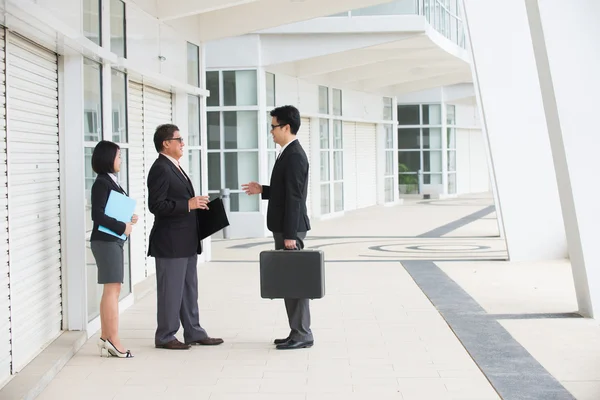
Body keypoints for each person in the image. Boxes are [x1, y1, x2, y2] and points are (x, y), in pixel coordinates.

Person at [242, 105, 313, 350]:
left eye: (273, 126)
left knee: (295, 281)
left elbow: (295, 197)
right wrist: (263, 190)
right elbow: (285, 192)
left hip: (289, 230)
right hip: (285, 227)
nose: (271, 132)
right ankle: (297, 331)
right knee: (289, 281)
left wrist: (291, 236)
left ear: (286, 127)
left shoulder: (294, 155)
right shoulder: (287, 152)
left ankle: (302, 333)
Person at [147, 124, 223, 350]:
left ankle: (193, 331)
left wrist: (196, 205)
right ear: (165, 143)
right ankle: (165, 336)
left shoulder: (175, 167)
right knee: (171, 291)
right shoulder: (160, 168)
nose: (183, 143)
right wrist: (187, 204)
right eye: (179, 139)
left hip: (186, 241)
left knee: (189, 289)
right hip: (170, 243)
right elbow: (156, 205)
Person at [90, 140, 137, 358]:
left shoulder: (111, 181)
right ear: (108, 158)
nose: (120, 160)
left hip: (114, 240)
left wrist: (129, 218)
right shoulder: (101, 182)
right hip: (106, 241)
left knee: (114, 289)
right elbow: (97, 215)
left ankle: (105, 337)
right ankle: (112, 339)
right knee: (112, 289)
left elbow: (111, 210)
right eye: (118, 156)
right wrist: (122, 226)